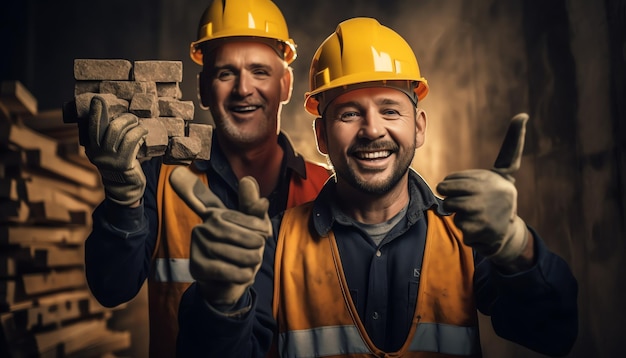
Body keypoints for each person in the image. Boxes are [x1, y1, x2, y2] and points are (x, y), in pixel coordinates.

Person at [172, 17, 578, 357]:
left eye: (389, 110)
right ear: (322, 137)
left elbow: (554, 335)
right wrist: (219, 303)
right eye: (349, 113)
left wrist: (517, 247)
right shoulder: (273, 245)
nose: (371, 130)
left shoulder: (467, 237)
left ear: (418, 127)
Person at [82, 0, 330, 357]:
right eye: (225, 73)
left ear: (286, 84)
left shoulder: (325, 190)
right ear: (202, 89)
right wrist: (123, 204)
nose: (243, 89)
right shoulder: (161, 179)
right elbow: (111, 287)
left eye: (259, 71)